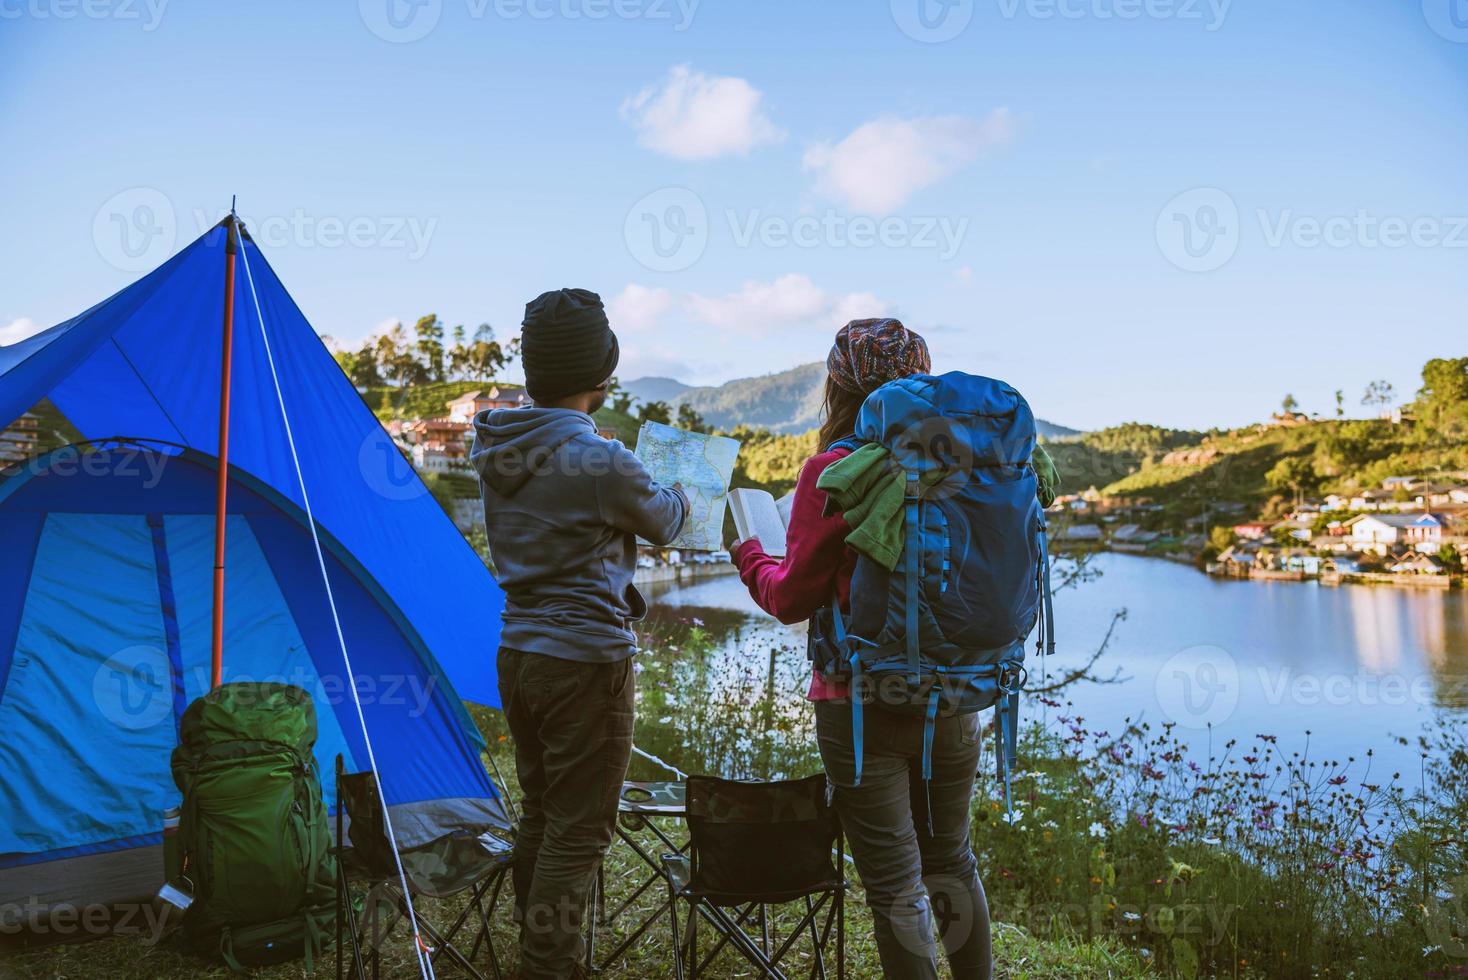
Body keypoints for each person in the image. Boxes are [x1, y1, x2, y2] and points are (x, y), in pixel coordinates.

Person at [731, 318, 993, 980]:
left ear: (839, 388)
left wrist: (748, 554)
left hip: (859, 706)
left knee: (896, 886)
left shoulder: (836, 471)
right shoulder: (971, 465)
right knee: (952, 862)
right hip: (957, 696)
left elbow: (790, 598)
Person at [470, 287, 688, 980]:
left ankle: (537, 952)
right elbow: (668, 521)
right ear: (602, 371)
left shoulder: (496, 445)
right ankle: (550, 966)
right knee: (581, 830)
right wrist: (682, 485)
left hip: (520, 651)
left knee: (541, 813)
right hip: (587, 661)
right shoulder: (604, 462)